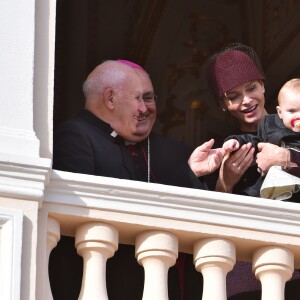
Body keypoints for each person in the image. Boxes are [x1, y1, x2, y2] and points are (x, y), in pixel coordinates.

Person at [49, 59, 227, 300]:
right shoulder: (76, 136)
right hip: (101, 282)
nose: (146, 109)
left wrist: (194, 174)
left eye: (150, 98)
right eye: (139, 98)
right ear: (110, 98)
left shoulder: (167, 149)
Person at [205, 42, 300, 299]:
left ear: (263, 85)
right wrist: (225, 182)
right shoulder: (220, 150)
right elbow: (211, 222)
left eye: (251, 88)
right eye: (233, 96)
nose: (246, 101)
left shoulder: (297, 123)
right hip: (247, 270)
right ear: (223, 104)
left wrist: (286, 157)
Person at [223, 78, 300, 201]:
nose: (298, 116)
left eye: (251, 88)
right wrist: (235, 142)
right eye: (292, 111)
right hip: (269, 183)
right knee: (253, 194)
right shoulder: (270, 124)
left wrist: (287, 158)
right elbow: (253, 140)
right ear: (280, 113)